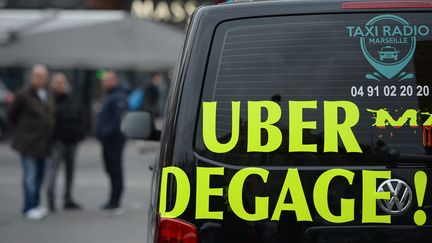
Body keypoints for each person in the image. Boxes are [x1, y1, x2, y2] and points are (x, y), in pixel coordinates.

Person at [8, 64, 54, 220]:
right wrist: (23, 132)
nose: (41, 79)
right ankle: (29, 206)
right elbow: (11, 115)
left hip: (44, 143)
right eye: (38, 76)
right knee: (30, 176)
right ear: (32, 77)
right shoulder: (23, 94)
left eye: (43, 76)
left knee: (40, 176)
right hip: (29, 143)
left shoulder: (46, 93)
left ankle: (35, 203)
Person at [46, 73, 84, 212]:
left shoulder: (71, 99)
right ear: (52, 84)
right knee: (53, 171)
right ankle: (50, 199)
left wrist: (80, 134)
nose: (61, 85)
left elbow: (80, 115)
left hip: (72, 141)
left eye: (63, 82)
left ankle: (68, 199)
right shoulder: (49, 100)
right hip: (57, 142)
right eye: (57, 82)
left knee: (70, 172)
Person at [96, 71, 128, 213]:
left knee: (115, 169)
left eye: (109, 80)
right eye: (104, 80)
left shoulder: (118, 96)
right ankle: (113, 200)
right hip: (109, 140)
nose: (106, 82)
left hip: (114, 140)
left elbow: (118, 120)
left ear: (115, 80)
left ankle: (115, 201)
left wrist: (105, 133)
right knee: (110, 168)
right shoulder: (111, 95)